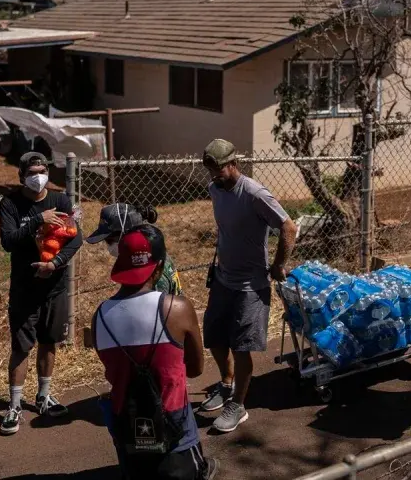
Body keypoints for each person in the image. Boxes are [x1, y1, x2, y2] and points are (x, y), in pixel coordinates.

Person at [92, 225, 217, 479]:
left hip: (126, 423)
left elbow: (111, 371)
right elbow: (195, 370)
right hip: (172, 424)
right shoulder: (177, 308)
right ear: (159, 268)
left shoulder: (100, 316)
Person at [199, 139, 298, 433]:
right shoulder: (215, 190)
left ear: (232, 163)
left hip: (250, 286)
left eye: (217, 169)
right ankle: (227, 383)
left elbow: (288, 227)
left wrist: (278, 264)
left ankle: (238, 405)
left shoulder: (254, 193)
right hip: (223, 277)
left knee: (241, 347)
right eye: (209, 170)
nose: (213, 175)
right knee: (215, 337)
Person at [0, 152, 83, 435]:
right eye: (33, 172)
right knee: (21, 347)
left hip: (54, 287)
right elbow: (8, 242)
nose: (38, 176)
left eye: (43, 170)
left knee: (48, 342)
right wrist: (37, 220)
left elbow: (76, 237)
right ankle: (14, 405)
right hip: (25, 289)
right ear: (22, 175)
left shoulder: (60, 200)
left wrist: (55, 263)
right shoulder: (10, 204)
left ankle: (44, 396)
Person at [86, 203, 183, 295]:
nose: (108, 246)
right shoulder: (145, 259)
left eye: (110, 240)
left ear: (127, 235)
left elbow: (157, 311)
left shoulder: (152, 273)